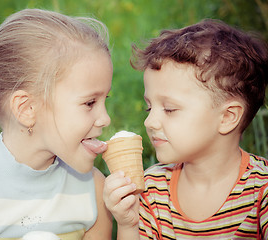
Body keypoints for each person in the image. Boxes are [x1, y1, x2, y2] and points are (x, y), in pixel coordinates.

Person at [0, 9, 113, 240]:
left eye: (105, 100)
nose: (105, 118)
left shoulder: (93, 190)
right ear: (27, 109)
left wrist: (128, 224)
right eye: (89, 102)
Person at [103, 19, 268, 239]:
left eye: (169, 109)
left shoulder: (262, 189)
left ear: (228, 117)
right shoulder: (152, 189)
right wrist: (128, 225)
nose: (150, 122)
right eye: (148, 107)